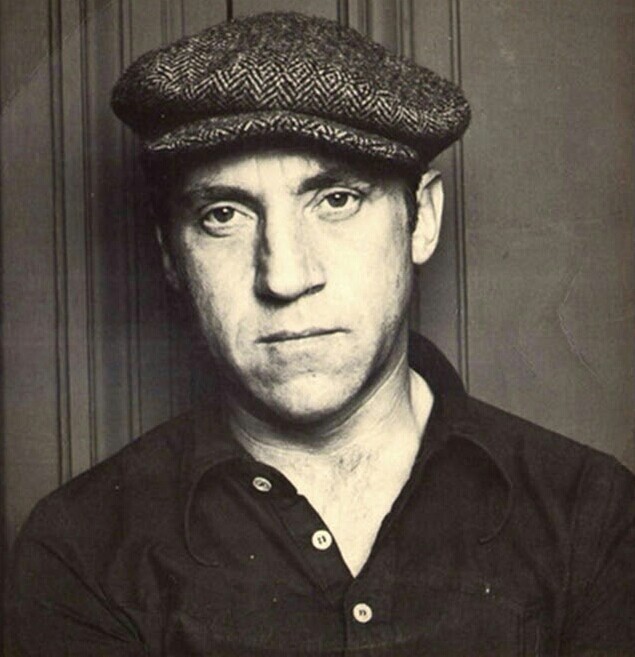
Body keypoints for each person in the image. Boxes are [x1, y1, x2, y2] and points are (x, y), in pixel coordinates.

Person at [8, 11, 635, 657]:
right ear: (171, 255)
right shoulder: (82, 546)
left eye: (336, 200)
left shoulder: (590, 512)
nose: (285, 277)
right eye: (223, 215)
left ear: (421, 219)